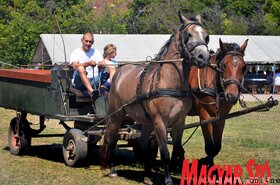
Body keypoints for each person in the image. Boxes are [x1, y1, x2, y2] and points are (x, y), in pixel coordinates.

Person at [70, 32, 106, 99]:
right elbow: (74, 66)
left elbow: (103, 63)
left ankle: (114, 90)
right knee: (80, 68)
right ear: (82, 40)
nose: (88, 43)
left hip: (94, 81)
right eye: (86, 41)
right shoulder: (76, 52)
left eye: (90, 42)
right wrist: (88, 63)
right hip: (80, 83)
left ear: (93, 42)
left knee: (110, 68)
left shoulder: (96, 52)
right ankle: (92, 92)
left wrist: (101, 64)